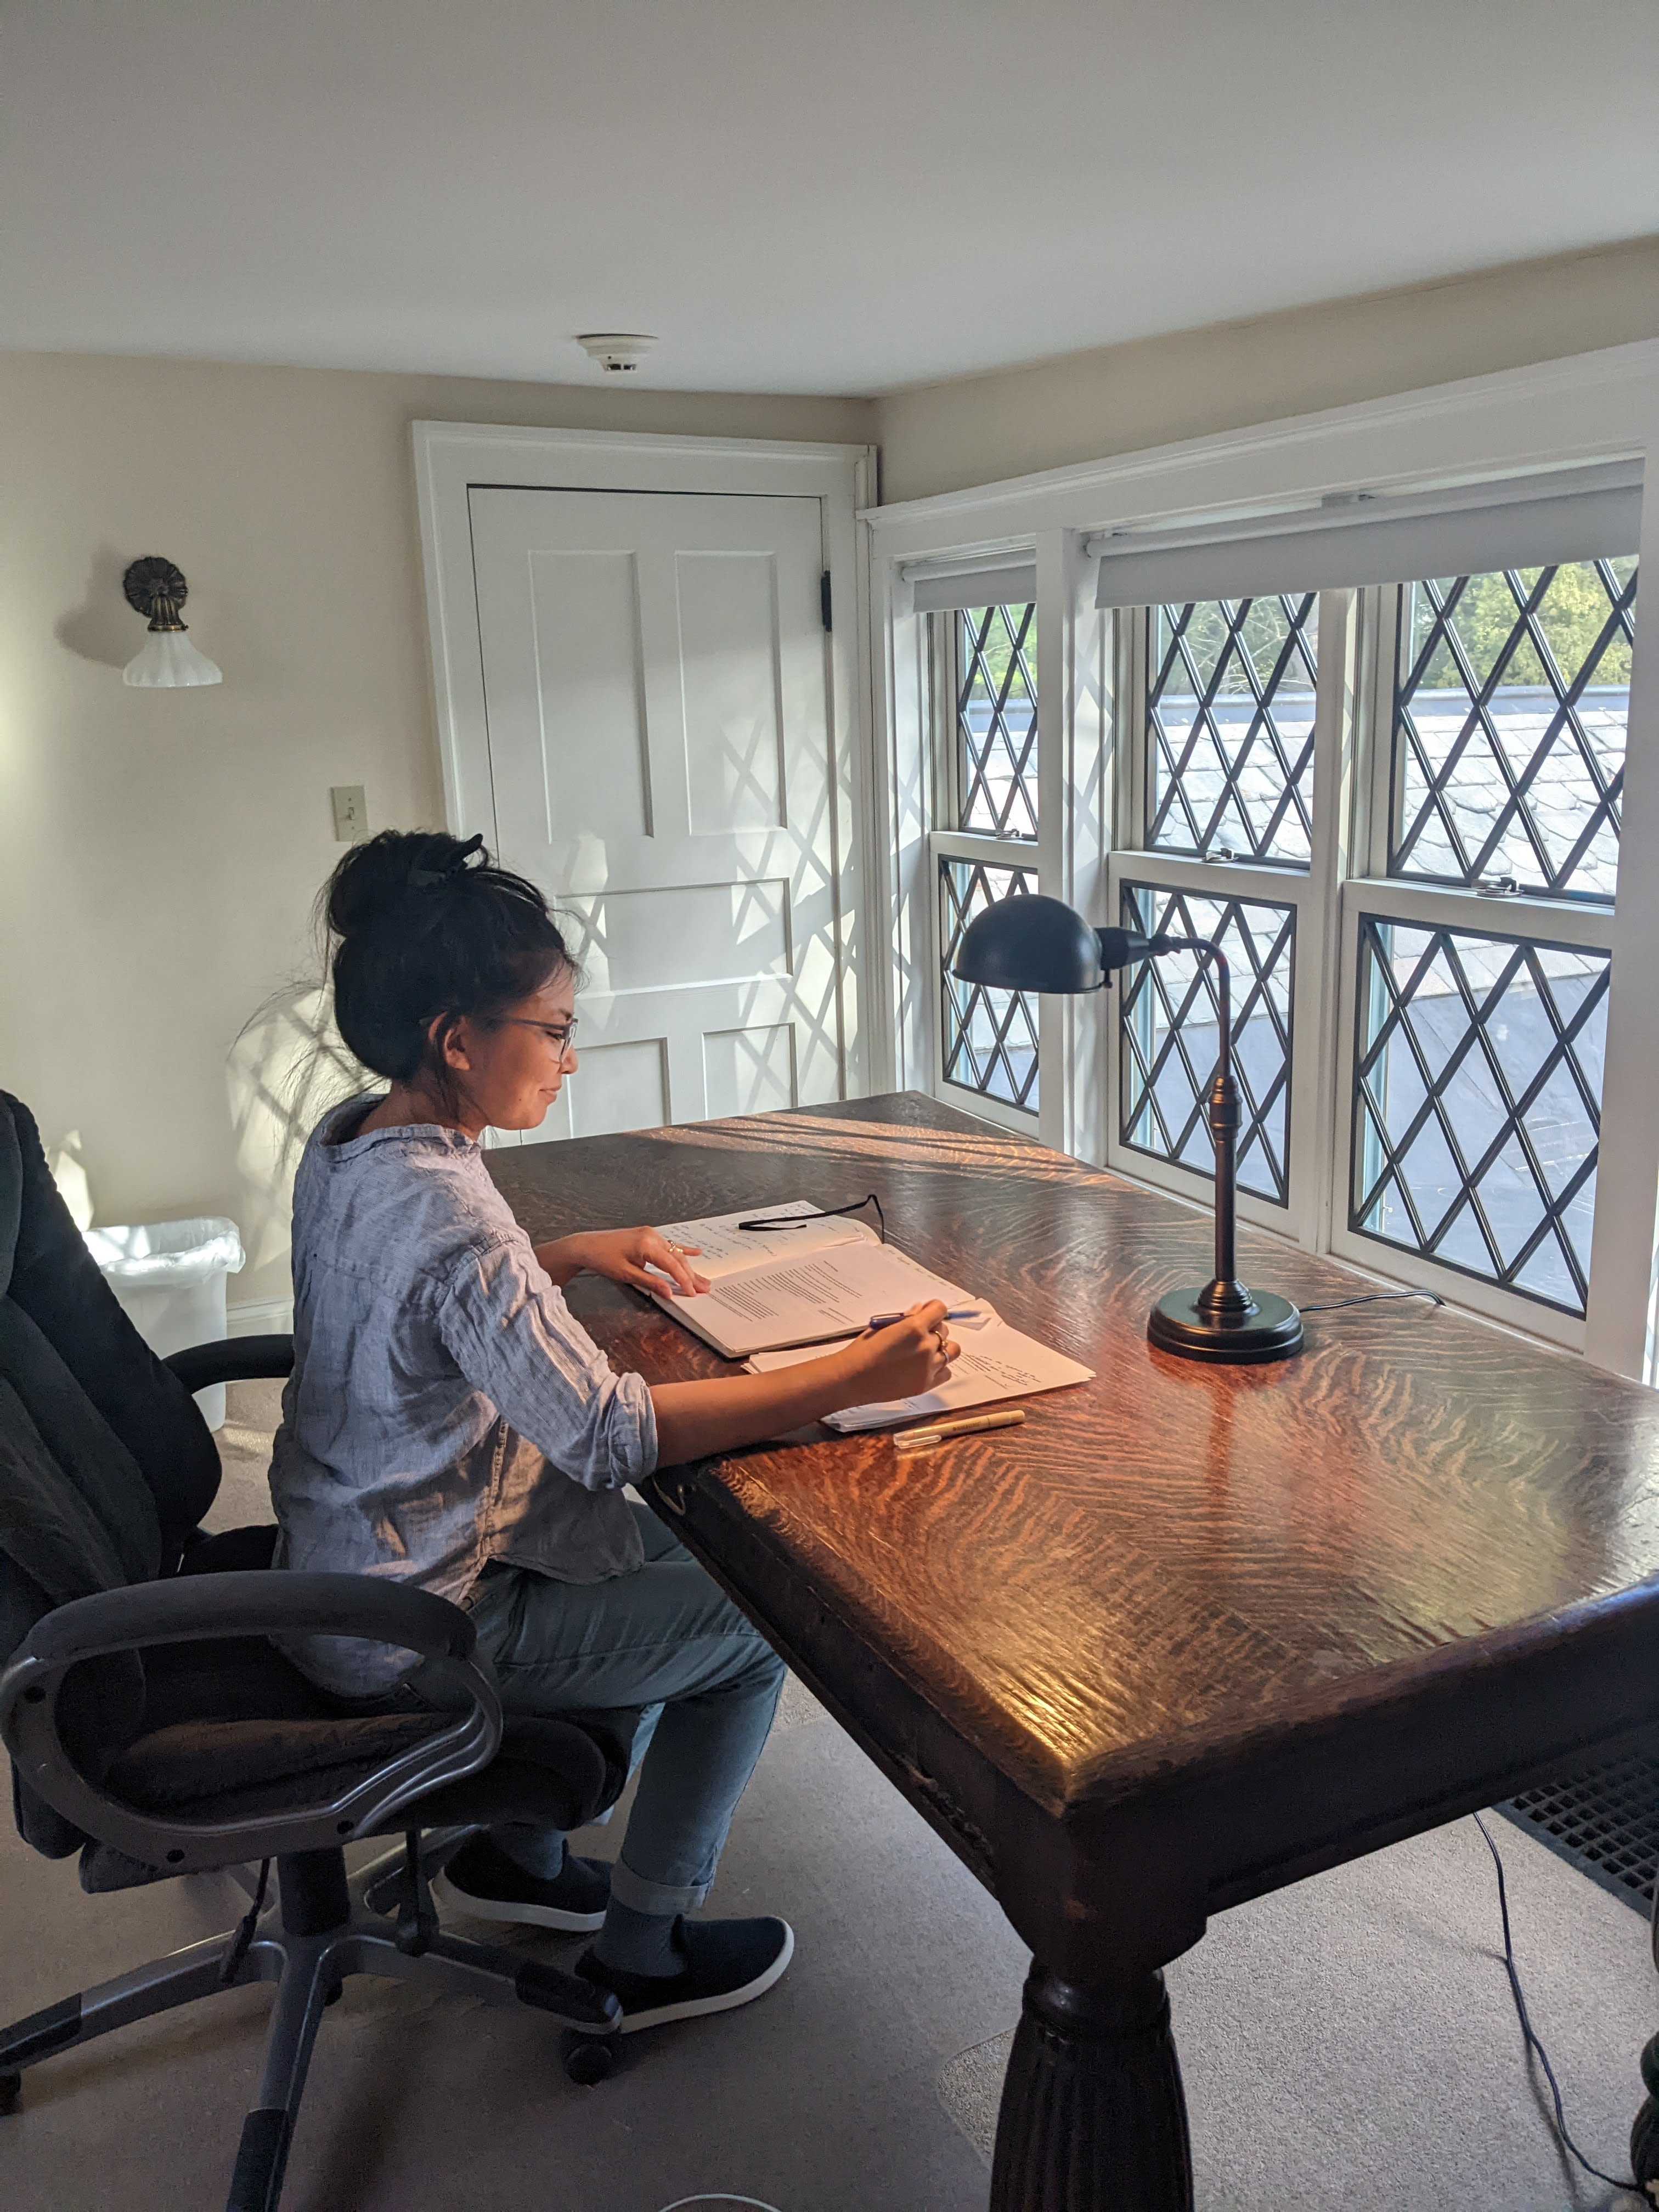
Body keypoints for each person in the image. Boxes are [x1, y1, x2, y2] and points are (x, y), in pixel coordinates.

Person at [268, 829, 958, 2032]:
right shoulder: (454, 1217)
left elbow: (418, 1298)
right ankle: (646, 1948)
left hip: (337, 1572)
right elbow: (607, 1437)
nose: (571, 1061)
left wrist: (569, 1255)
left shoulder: (351, 1145)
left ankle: (516, 1861)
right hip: (413, 1628)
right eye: (555, 1030)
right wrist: (851, 1372)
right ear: (459, 1039)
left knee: (682, 1558)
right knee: (759, 1619)